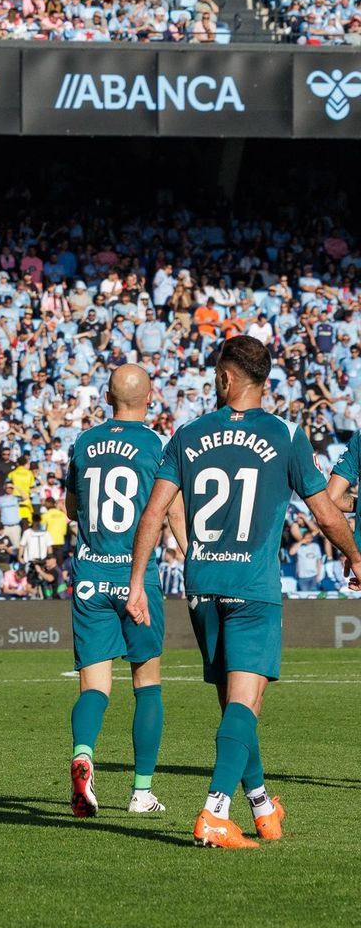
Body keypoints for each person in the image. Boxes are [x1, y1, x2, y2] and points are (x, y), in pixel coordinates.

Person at [126, 336, 361, 849]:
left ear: (227, 378)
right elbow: (325, 513)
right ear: (263, 381)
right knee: (246, 702)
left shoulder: (188, 434)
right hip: (253, 588)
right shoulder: (286, 434)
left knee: (236, 705)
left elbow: (154, 512)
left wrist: (137, 581)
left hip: (202, 586)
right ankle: (214, 811)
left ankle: (260, 804)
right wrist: (356, 555)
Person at [62, 364, 183, 818]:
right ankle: (141, 792)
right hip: (136, 579)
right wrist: (193, 557)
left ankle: (84, 755)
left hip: (90, 575)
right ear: (149, 397)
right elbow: (171, 512)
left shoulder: (85, 442)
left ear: (106, 397)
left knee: (94, 686)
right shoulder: (156, 445)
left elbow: (72, 508)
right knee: (146, 684)